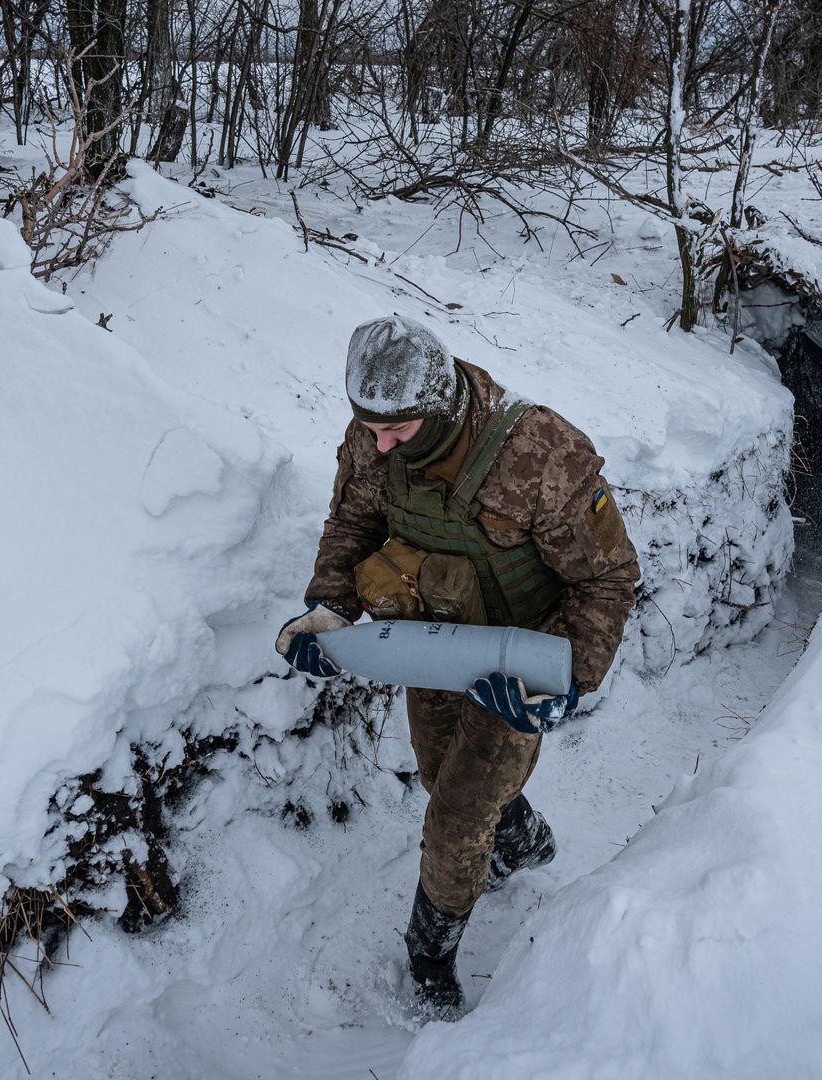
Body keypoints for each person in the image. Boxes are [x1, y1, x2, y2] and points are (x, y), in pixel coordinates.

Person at [274, 314, 640, 1015]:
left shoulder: (541, 453)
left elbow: (608, 578)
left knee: (454, 818)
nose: (379, 444)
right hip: (430, 642)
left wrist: (567, 682)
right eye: (369, 428)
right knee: (440, 773)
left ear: (439, 406)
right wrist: (329, 606)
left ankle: (430, 959)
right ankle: (524, 835)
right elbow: (352, 524)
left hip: (516, 657)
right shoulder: (375, 432)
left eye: (397, 432)